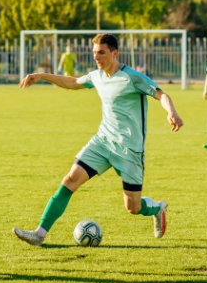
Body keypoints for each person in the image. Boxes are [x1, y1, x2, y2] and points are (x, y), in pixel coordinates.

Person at [12, 34, 184, 246]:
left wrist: (171, 112)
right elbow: (73, 82)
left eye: (101, 52)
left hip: (129, 150)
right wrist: (42, 75)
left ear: (114, 52)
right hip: (103, 142)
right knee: (70, 180)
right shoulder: (97, 76)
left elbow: (161, 95)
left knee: (133, 207)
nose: (97, 57)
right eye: (94, 53)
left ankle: (158, 209)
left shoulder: (132, 77)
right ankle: (39, 234)